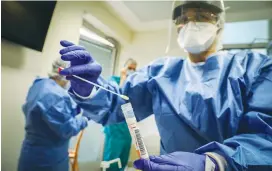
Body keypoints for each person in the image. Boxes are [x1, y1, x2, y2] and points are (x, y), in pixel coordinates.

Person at [59, 0, 272, 170]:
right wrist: (90, 89)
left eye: (201, 16)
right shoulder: (160, 73)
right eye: (184, 18)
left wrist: (216, 162)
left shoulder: (255, 68)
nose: (191, 23)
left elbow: (266, 136)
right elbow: (119, 104)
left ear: (218, 23)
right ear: (177, 27)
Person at [18, 59, 89, 171]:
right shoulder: (54, 95)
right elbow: (67, 129)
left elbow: (55, 114)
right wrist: (85, 118)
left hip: (32, 152)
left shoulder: (40, 85)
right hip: (46, 159)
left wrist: (79, 106)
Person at [103, 58, 137, 171]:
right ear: (123, 68)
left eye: (134, 69)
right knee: (112, 159)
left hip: (126, 128)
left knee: (123, 158)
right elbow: (117, 98)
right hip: (114, 127)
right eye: (129, 68)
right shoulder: (113, 80)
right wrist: (123, 78)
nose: (131, 71)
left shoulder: (132, 85)